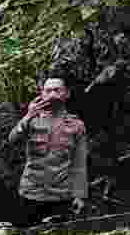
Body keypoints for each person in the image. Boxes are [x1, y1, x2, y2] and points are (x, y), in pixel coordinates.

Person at [8, 76, 88, 224]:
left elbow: (79, 164)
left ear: (66, 94)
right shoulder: (32, 120)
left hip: (61, 195)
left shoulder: (77, 125)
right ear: (42, 95)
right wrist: (28, 116)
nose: (52, 94)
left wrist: (79, 195)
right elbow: (12, 140)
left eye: (57, 90)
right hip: (31, 193)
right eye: (48, 90)